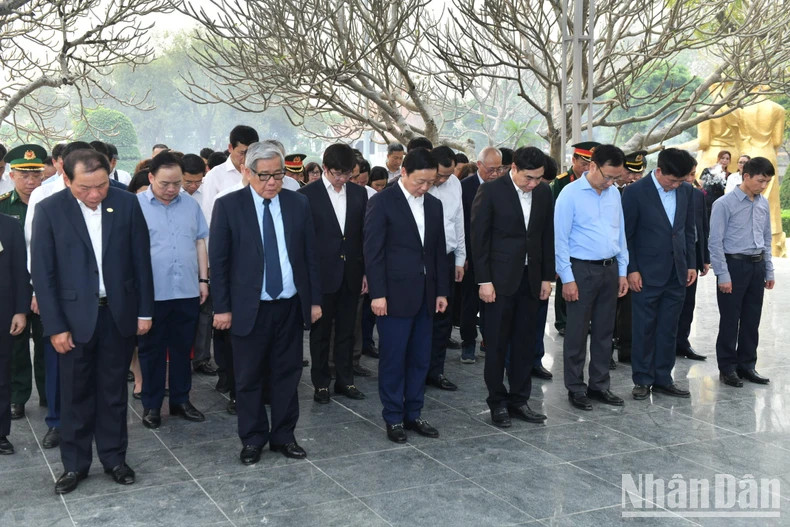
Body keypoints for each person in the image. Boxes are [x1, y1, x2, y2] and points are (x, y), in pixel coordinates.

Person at [31, 148, 154, 494]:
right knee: (74, 395)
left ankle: (115, 458)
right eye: (85, 188)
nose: (95, 194)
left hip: (118, 315)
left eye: (101, 185)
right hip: (72, 320)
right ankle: (75, 465)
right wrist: (55, 326)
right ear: (66, 179)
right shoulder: (49, 210)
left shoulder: (126, 204)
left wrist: (144, 312)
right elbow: (44, 274)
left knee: (114, 392)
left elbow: (141, 262)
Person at [209, 141, 321, 465]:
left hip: (288, 304)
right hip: (249, 307)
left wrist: (313, 301)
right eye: (264, 176)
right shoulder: (229, 206)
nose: (272, 182)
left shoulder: (297, 204)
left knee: (287, 374)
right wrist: (223, 308)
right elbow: (219, 262)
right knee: (248, 377)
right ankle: (253, 438)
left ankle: (284, 436)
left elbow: (309, 256)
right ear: (247, 171)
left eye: (278, 175)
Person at [364, 147, 448, 443]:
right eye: (419, 182)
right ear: (403, 173)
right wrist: (378, 293)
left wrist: (441, 291)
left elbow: (438, 252)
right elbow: (372, 252)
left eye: (430, 182)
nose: (425, 187)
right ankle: (393, 417)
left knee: (419, 359)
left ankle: (414, 413)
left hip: (426, 295)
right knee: (393, 359)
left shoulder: (434, 206)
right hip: (393, 296)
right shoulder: (383, 202)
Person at [471, 146, 554, 427]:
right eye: (528, 178)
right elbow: (479, 240)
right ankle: (497, 402)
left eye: (539, 178)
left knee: (524, 343)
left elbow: (546, 236)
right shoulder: (492, 192)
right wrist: (484, 281)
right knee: (496, 344)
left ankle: (520, 400)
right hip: (498, 282)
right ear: (513, 168)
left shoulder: (543, 193)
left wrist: (547, 277)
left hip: (531, 281)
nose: (533, 184)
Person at [136, 152, 209, 429]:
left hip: (187, 289)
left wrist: (203, 281)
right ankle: (152, 405)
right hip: (152, 293)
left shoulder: (190, 205)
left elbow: (200, 242)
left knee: (182, 349)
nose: (171, 189)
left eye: (176, 183)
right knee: (151, 351)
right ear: (151, 177)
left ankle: (181, 399)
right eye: (165, 183)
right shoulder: (135, 206)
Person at [554, 144, 629, 411]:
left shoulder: (614, 195)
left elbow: (620, 235)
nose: (610, 182)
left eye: (615, 178)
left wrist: (622, 271)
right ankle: (576, 387)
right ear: (592, 166)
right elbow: (560, 240)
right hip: (581, 270)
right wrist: (567, 278)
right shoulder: (569, 194)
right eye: (607, 176)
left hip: (609, 269)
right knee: (575, 332)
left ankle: (600, 385)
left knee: (604, 331)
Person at [622, 147, 696, 400]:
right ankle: (642, 379)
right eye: (672, 180)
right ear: (660, 170)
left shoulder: (686, 191)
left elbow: (687, 230)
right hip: (645, 273)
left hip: (677, 273)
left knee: (669, 328)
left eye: (681, 180)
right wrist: (631, 269)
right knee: (644, 327)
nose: (676, 185)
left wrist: (691, 264)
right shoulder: (634, 192)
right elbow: (627, 235)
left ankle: (664, 378)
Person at [298, 144, 367, 403]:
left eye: (347, 174)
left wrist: (365, 272)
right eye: (337, 173)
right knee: (320, 333)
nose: (342, 179)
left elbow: (363, 236)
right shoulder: (307, 195)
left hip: (351, 272)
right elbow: (304, 241)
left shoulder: (360, 194)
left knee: (348, 331)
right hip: (321, 275)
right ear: (325, 168)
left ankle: (345, 380)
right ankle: (321, 383)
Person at [709, 157, 775, 387]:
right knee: (730, 319)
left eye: (767, 182)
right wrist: (723, 275)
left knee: (751, 318)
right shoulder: (724, 204)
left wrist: (769, 270)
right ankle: (727, 368)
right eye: (760, 181)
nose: (763, 186)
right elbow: (715, 243)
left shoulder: (762, 203)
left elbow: (766, 238)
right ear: (746, 176)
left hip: (756, 266)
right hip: (733, 266)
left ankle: (747, 365)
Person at [0, 144, 46, 423]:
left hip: (43, 284)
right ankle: (18, 397)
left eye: (36, 175)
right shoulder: (3, 205)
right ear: (12, 175)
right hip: (13, 285)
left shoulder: (49, 202)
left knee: (45, 340)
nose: (30, 182)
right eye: (24, 175)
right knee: (16, 345)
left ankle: (48, 394)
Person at [459, 146, 506, 364]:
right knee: (470, 302)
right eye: (491, 169)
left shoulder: (504, 187)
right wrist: (464, 256)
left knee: (494, 302)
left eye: (499, 169)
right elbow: (463, 225)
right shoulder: (464, 188)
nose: (495, 173)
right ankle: (468, 343)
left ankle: (490, 341)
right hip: (471, 255)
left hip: (497, 257)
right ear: (479, 165)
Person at [550, 141, 600, 338]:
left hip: (586, 245)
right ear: (574, 160)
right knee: (565, 281)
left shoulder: (599, 184)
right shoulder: (562, 183)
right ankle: (562, 321)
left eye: (591, 164)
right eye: (584, 163)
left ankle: (583, 320)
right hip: (566, 241)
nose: (587, 168)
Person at [425, 146, 464, 391]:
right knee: (422, 317)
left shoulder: (454, 185)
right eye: (440, 175)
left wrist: (461, 258)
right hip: (423, 261)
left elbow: (459, 221)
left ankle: (436, 370)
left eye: (448, 176)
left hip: (448, 258)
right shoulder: (418, 186)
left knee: (443, 319)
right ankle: (417, 370)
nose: (443, 180)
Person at [0, 213, 32, 455]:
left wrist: (21, 310)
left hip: (3, 312)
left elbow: (22, 272)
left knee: (2, 376)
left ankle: (0, 433)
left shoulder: (9, 225)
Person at [612, 150, 646, 365]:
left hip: (630, 258)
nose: (633, 177)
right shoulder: (609, 191)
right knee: (607, 310)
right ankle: (605, 351)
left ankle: (627, 348)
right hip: (607, 259)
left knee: (628, 309)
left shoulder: (640, 193)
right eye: (629, 172)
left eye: (638, 173)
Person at [676, 155, 710, 362]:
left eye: (693, 174)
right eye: (688, 174)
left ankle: (683, 342)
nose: (691, 178)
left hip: (692, 258)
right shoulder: (669, 192)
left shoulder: (697, 195)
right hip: (672, 258)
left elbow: (702, 228)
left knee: (688, 303)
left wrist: (703, 258)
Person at [699, 150, 730, 221]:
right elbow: (700, 185)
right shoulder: (708, 170)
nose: (724, 160)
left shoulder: (730, 175)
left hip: (721, 202)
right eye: (722, 158)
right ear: (718, 158)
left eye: (727, 159)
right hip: (707, 201)